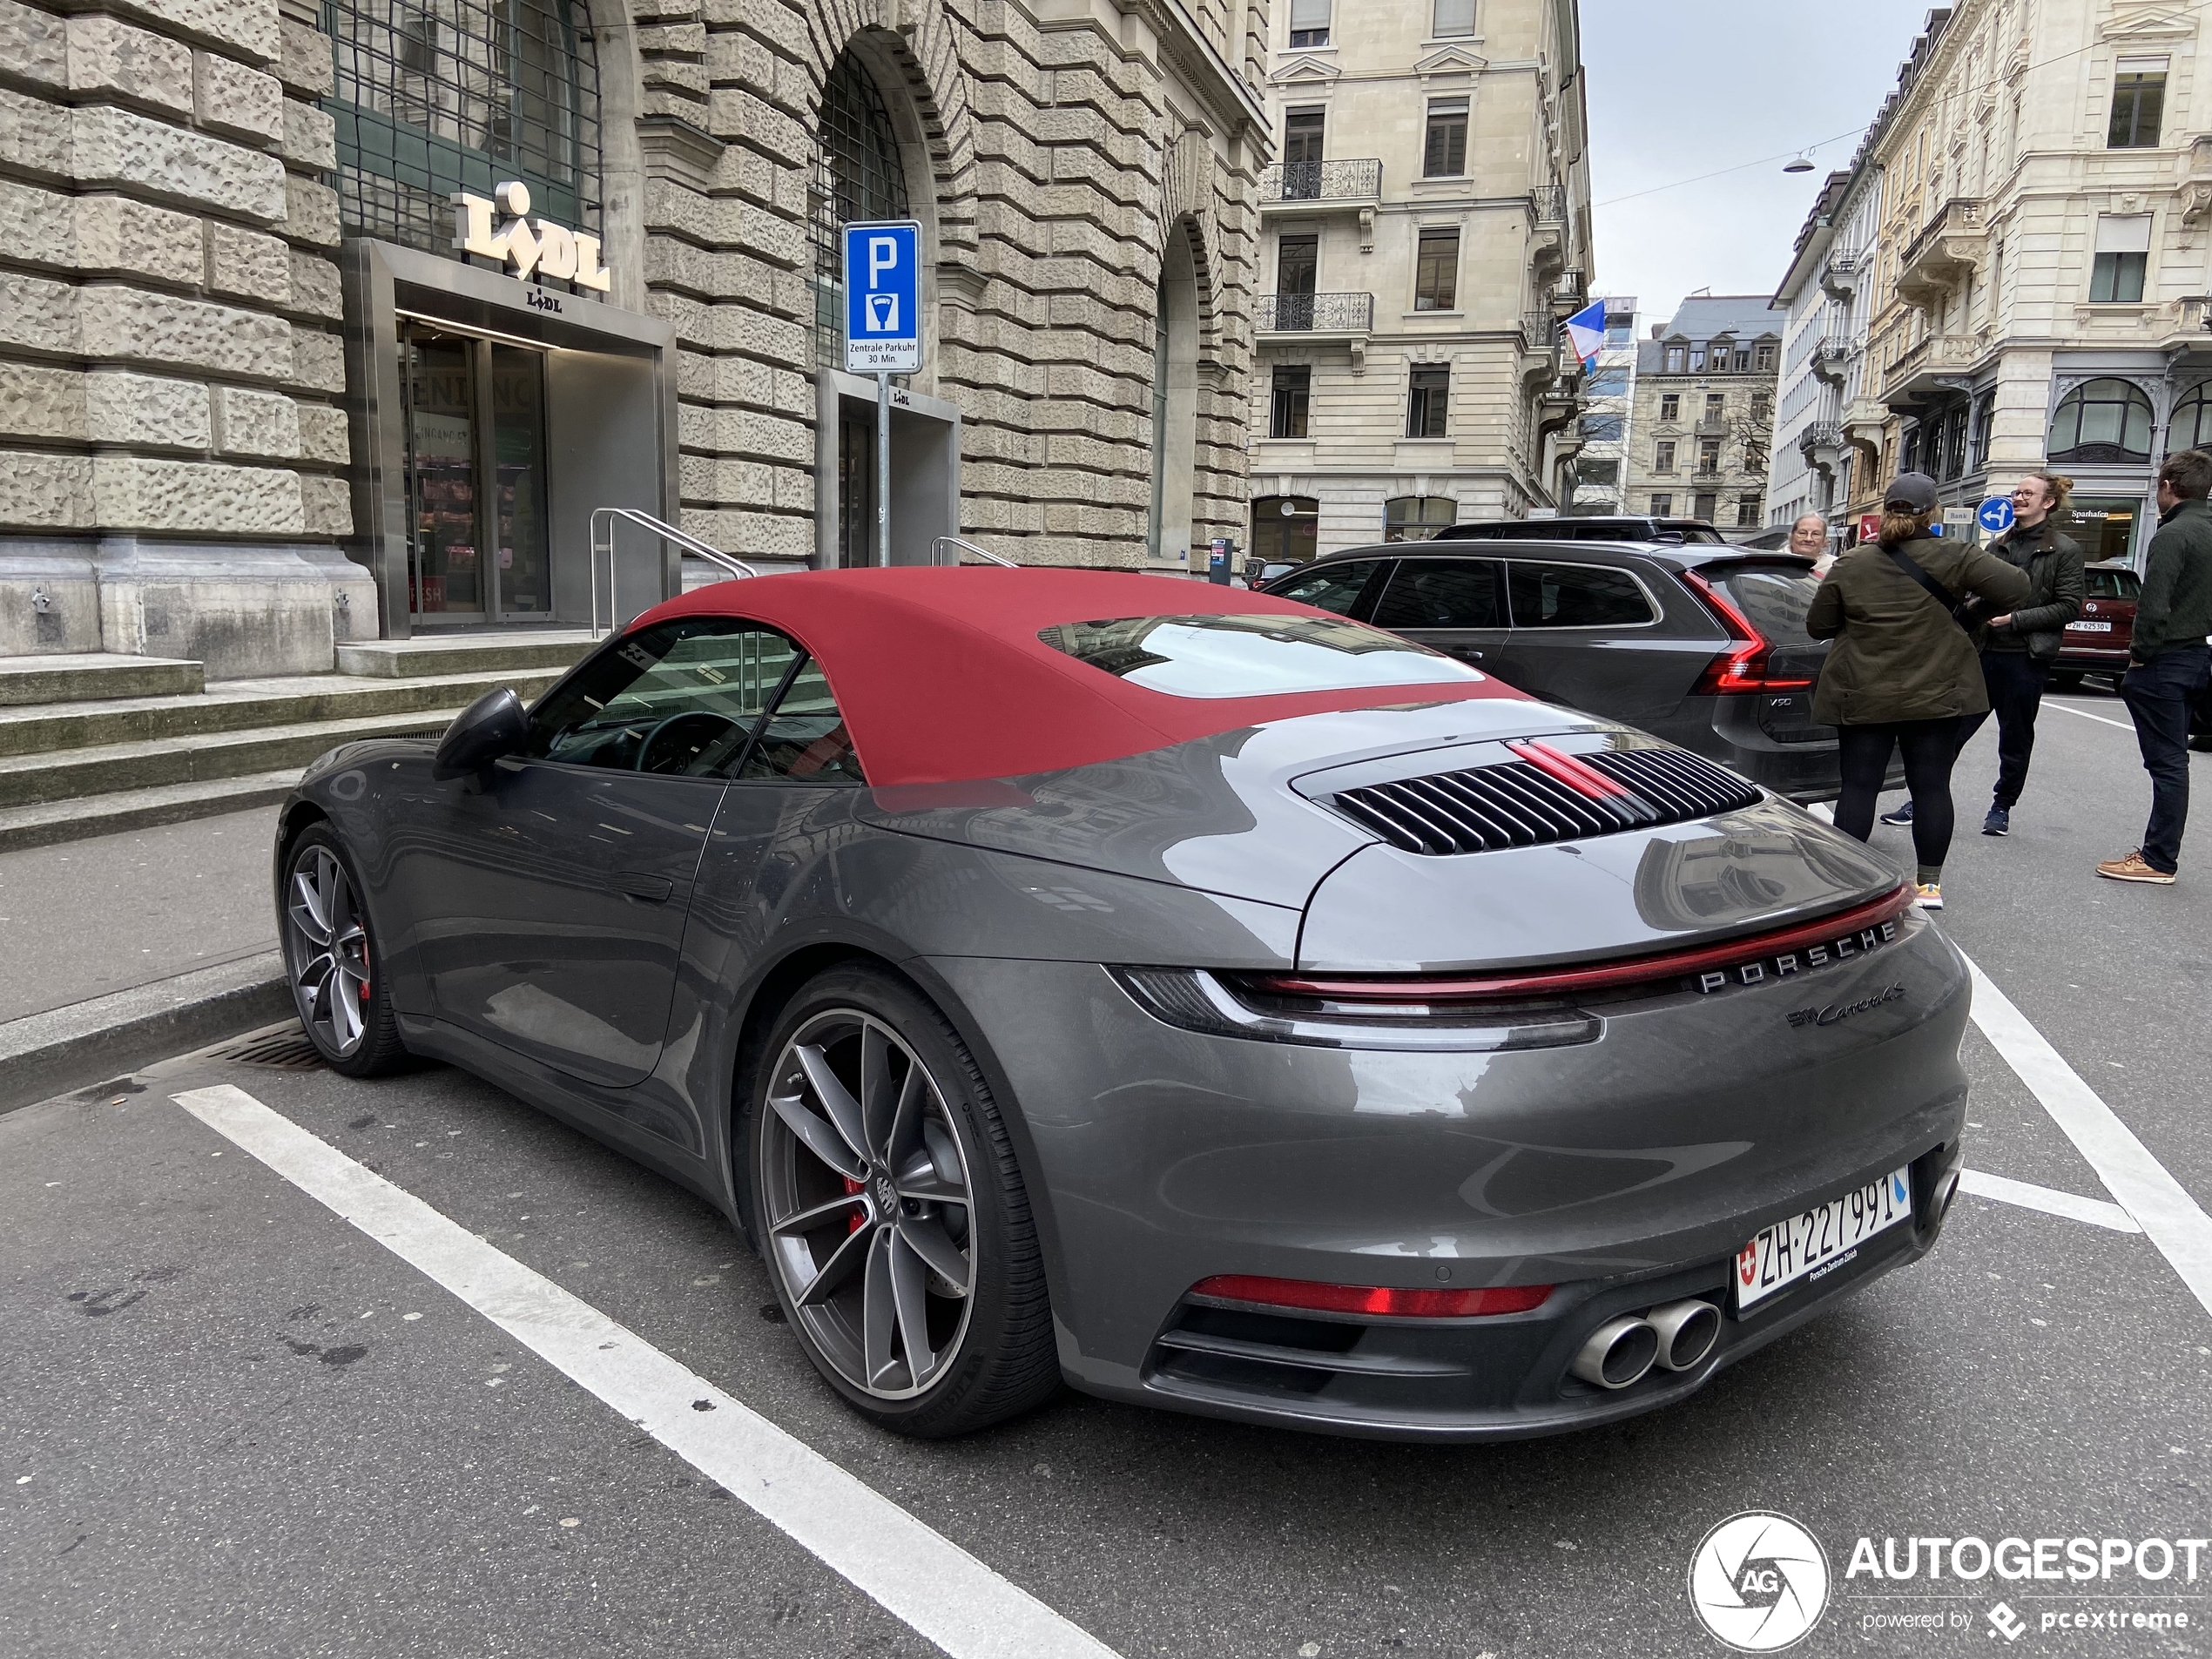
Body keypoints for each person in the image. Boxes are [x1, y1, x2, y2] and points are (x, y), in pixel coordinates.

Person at [1806, 472, 2031, 910]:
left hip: (1863, 691)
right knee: (1931, 787)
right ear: (1934, 513)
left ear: (1885, 513)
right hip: (1936, 692)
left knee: (1858, 787)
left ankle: (1851, 882)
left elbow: (1818, 625)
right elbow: (2017, 588)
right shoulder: (1958, 555)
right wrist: (1968, 614)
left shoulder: (1853, 563)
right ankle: (1929, 885)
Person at [1883, 473, 2084, 835]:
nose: (2018, 498)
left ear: (2048, 502)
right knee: (1951, 732)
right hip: (1983, 651)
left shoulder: (2064, 549)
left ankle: (2002, 807)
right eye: (2016, 492)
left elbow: (2069, 606)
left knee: (2015, 738)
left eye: (2027, 493)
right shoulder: (1998, 544)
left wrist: (2016, 619)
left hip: (2026, 656)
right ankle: (1922, 800)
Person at [2096, 448, 2212, 885]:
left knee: (2167, 763)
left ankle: (2159, 859)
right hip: (2199, 655)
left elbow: (2153, 604)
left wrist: (2139, 655)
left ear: (2167, 486)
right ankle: (2159, 855)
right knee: (2174, 760)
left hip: (2165, 658)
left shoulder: (2173, 534)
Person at [1789, 512, 1836, 576]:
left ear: (1824, 540)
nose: (1808, 539)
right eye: (1802, 533)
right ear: (1791, 537)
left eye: (1815, 534)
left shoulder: (1835, 567)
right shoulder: (1774, 561)